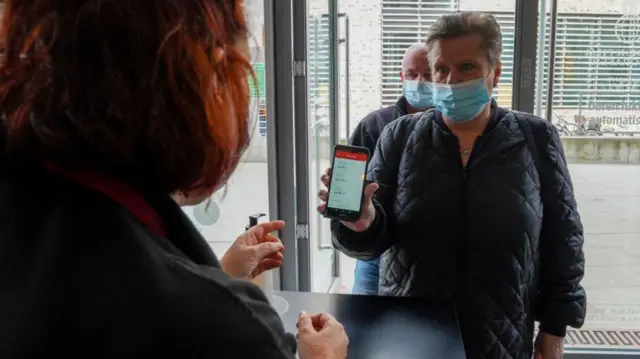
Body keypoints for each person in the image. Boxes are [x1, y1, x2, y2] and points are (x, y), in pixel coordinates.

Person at [0, 1, 348, 358]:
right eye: (239, 73)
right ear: (208, 77)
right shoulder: (225, 330)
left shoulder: (32, 200)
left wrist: (213, 278)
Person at [318, 12, 586, 359]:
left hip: (501, 334)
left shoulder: (535, 137)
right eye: (441, 69)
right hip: (411, 335)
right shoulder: (399, 135)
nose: (451, 80)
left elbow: (563, 237)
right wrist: (363, 222)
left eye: (468, 68)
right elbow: (373, 243)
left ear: (495, 73)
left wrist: (554, 328)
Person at [350, 43, 433, 295]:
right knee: (361, 323)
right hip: (375, 251)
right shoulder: (374, 124)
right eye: (412, 74)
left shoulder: (452, 129)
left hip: (423, 255)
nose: (420, 82)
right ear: (401, 77)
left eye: (428, 74)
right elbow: (351, 188)